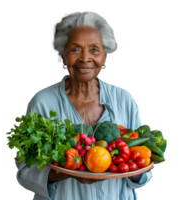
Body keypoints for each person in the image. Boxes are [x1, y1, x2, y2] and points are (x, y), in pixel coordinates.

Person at [13, 8, 155, 200]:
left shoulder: (125, 98)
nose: (85, 58)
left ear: (105, 57)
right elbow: (24, 174)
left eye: (94, 49)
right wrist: (66, 171)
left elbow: (145, 174)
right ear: (62, 55)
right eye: (75, 49)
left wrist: (133, 167)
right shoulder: (42, 101)